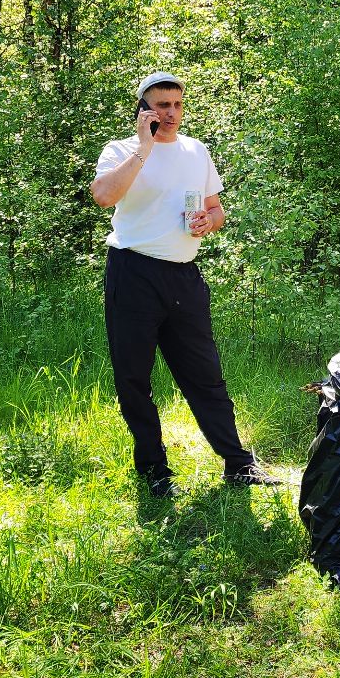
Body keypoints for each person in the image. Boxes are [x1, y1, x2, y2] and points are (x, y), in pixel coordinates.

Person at [90, 72, 281, 498]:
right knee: (134, 378)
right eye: (161, 105)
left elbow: (216, 210)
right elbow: (103, 196)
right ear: (143, 108)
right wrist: (143, 148)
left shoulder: (197, 151)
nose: (171, 113)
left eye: (176, 104)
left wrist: (207, 223)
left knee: (206, 374)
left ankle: (238, 463)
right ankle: (154, 469)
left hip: (184, 276)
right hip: (133, 272)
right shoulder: (121, 151)